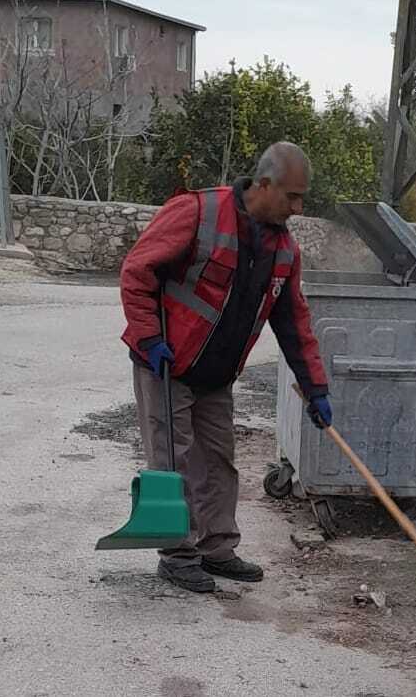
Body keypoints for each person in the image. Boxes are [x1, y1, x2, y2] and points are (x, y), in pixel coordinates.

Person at [119, 141, 332, 593]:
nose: (298, 207)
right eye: (292, 196)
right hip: (166, 362)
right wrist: (149, 337)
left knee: (218, 461)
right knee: (173, 461)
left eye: (302, 198)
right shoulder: (198, 212)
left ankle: (217, 548)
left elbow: (293, 323)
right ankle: (177, 555)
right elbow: (137, 271)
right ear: (263, 184)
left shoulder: (284, 251)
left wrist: (316, 388)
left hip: (216, 375)